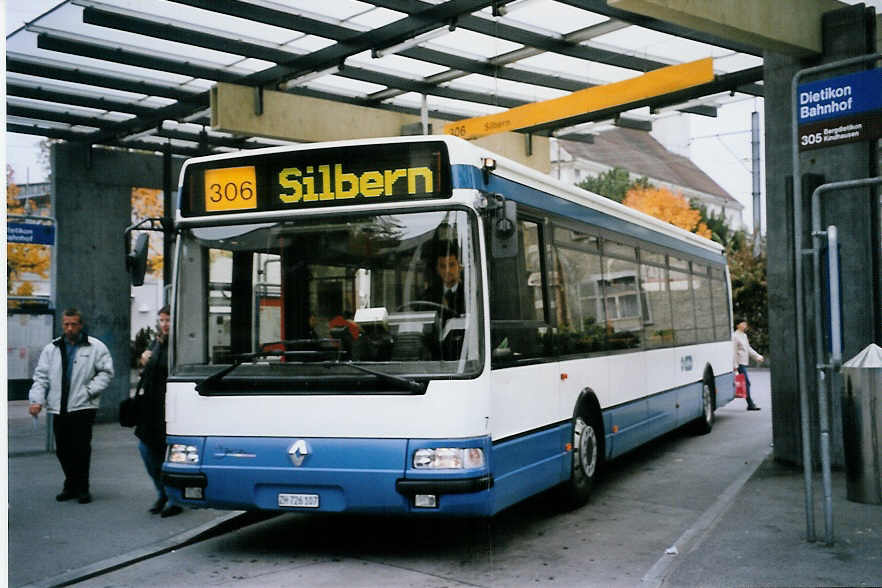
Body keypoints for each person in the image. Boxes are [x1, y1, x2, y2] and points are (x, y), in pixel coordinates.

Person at [29, 308, 114, 504]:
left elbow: (106, 372)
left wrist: (90, 390)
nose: (69, 328)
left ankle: (81, 488)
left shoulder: (95, 347)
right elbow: (41, 377)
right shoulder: (52, 348)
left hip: (83, 406)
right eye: (66, 324)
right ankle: (71, 483)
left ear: (81, 325)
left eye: (73, 324)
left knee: (81, 448)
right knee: (63, 449)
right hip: (59, 406)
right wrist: (36, 400)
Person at [135, 305, 182, 517]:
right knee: (146, 450)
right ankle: (161, 492)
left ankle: (173, 499)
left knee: (167, 454)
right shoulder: (156, 343)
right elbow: (145, 373)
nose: (164, 324)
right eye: (162, 320)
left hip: (169, 408)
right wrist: (143, 362)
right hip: (151, 408)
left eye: (168, 320)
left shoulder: (178, 346)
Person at [422, 241, 465, 318]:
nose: (447, 270)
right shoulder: (429, 296)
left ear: (459, 266)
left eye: (451, 265)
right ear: (437, 269)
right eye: (442, 266)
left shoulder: (468, 293)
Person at [733, 318, 764, 411]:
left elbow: (748, 348)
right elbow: (733, 352)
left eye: (745, 324)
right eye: (743, 324)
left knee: (745, 383)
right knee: (746, 383)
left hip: (744, 362)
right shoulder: (734, 336)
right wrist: (735, 366)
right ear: (738, 325)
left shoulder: (744, 335)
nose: (745, 325)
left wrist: (757, 356)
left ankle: (749, 403)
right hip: (739, 364)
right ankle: (750, 404)